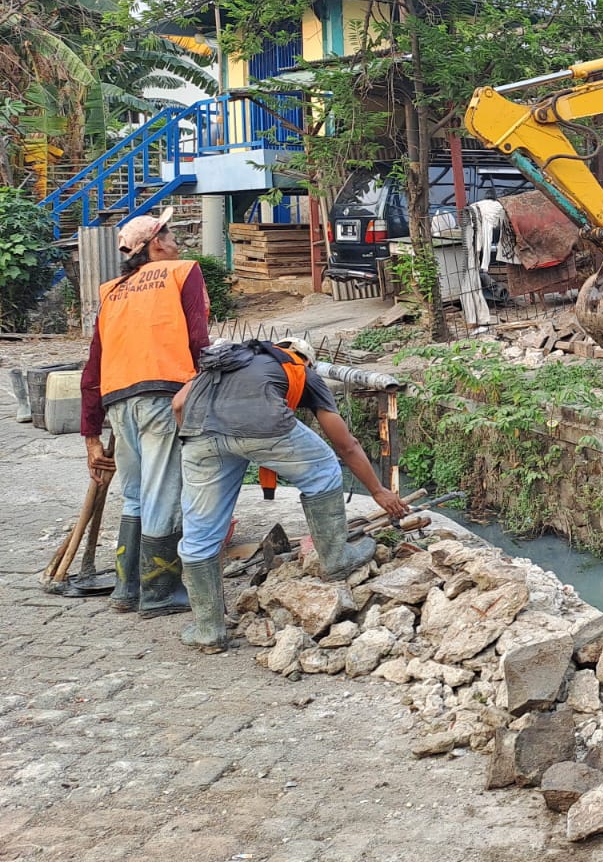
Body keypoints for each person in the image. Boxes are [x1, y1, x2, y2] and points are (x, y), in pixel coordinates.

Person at [172, 337, 408, 653]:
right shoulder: (299, 368)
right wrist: (378, 491)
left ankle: (208, 630)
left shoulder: (227, 361)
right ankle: (336, 558)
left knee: (200, 531)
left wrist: (199, 445)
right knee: (323, 468)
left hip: (197, 432)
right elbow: (346, 445)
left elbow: (178, 404)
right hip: (263, 427)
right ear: (306, 359)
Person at [80, 207, 210, 616]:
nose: (177, 244)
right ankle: (159, 592)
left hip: (118, 401)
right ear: (156, 243)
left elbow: (93, 364)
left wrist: (91, 434)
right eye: (172, 237)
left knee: (135, 493)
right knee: (163, 492)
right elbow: (198, 340)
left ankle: (126, 589)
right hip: (164, 396)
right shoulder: (181, 272)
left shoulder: (111, 291)